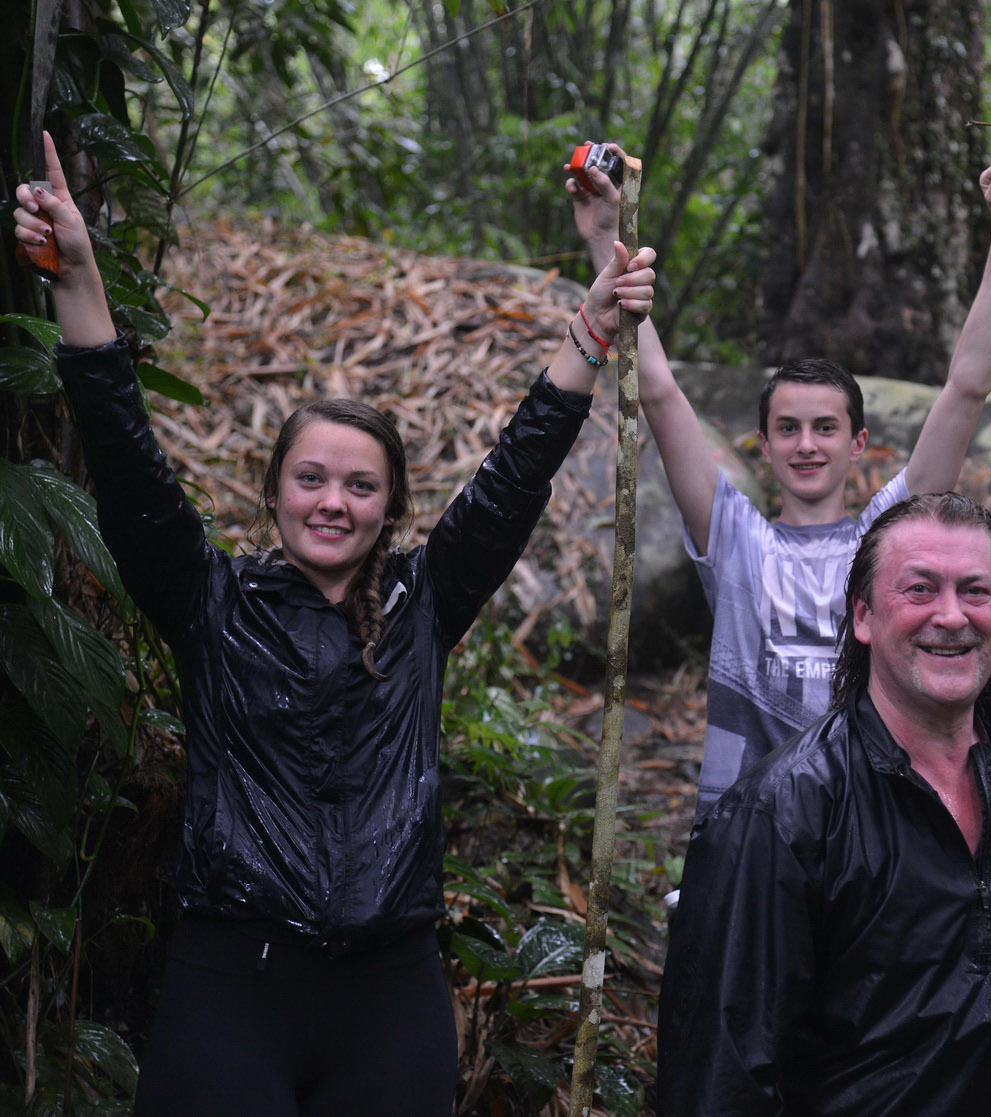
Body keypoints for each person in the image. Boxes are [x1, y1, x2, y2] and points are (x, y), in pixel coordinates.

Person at [12, 132, 656, 1115]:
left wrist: (589, 332)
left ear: (390, 507)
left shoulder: (425, 602)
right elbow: (127, 459)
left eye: (361, 485)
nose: (332, 501)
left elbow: (516, 470)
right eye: (310, 479)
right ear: (272, 495)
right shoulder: (208, 600)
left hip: (388, 993)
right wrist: (79, 273)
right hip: (229, 986)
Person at [656, 493, 991, 1116]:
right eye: (919, 590)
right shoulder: (782, 813)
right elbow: (720, 1078)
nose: (952, 616)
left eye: (976, 592)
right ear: (863, 616)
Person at [569, 152, 991, 816]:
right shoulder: (733, 538)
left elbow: (966, 388)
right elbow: (662, 395)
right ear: (763, 446)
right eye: (787, 428)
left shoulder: (890, 537)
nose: (806, 444)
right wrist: (602, 238)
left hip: (867, 830)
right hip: (747, 833)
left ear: (859, 444)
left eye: (825, 427)